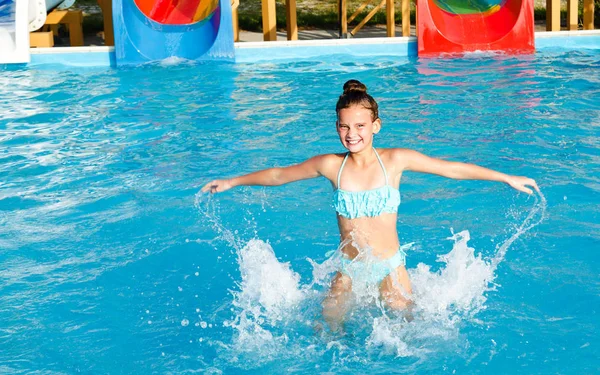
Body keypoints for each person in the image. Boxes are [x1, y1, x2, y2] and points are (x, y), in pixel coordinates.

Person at [202, 79, 539, 332]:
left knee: (410, 332)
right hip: (348, 269)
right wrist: (232, 181)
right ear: (337, 126)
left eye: (360, 126)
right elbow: (278, 175)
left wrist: (505, 176)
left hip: (390, 266)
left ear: (375, 126)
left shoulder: (394, 161)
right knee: (326, 329)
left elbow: (450, 169)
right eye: (345, 126)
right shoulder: (332, 166)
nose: (352, 134)